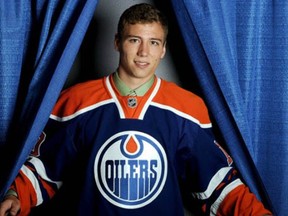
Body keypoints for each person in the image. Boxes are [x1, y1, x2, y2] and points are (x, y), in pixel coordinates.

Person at [0, 3, 272, 216]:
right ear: (117, 42)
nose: (143, 52)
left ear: (163, 49)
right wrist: (15, 196)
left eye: (153, 42)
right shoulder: (75, 101)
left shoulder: (188, 108)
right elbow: (45, 168)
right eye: (134, 40)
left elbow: (216, 184)